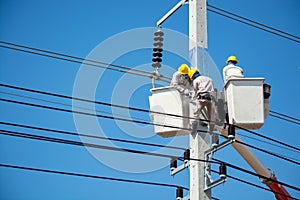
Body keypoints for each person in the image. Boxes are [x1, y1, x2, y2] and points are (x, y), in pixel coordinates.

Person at [188, 68, 216, 137]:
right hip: (211, 98)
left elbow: (195, 90)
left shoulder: (196, 80)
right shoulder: (209, 79)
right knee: (211, 115)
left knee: (196, 113)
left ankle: (193, 128)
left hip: (202, 98)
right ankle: (211, 129)